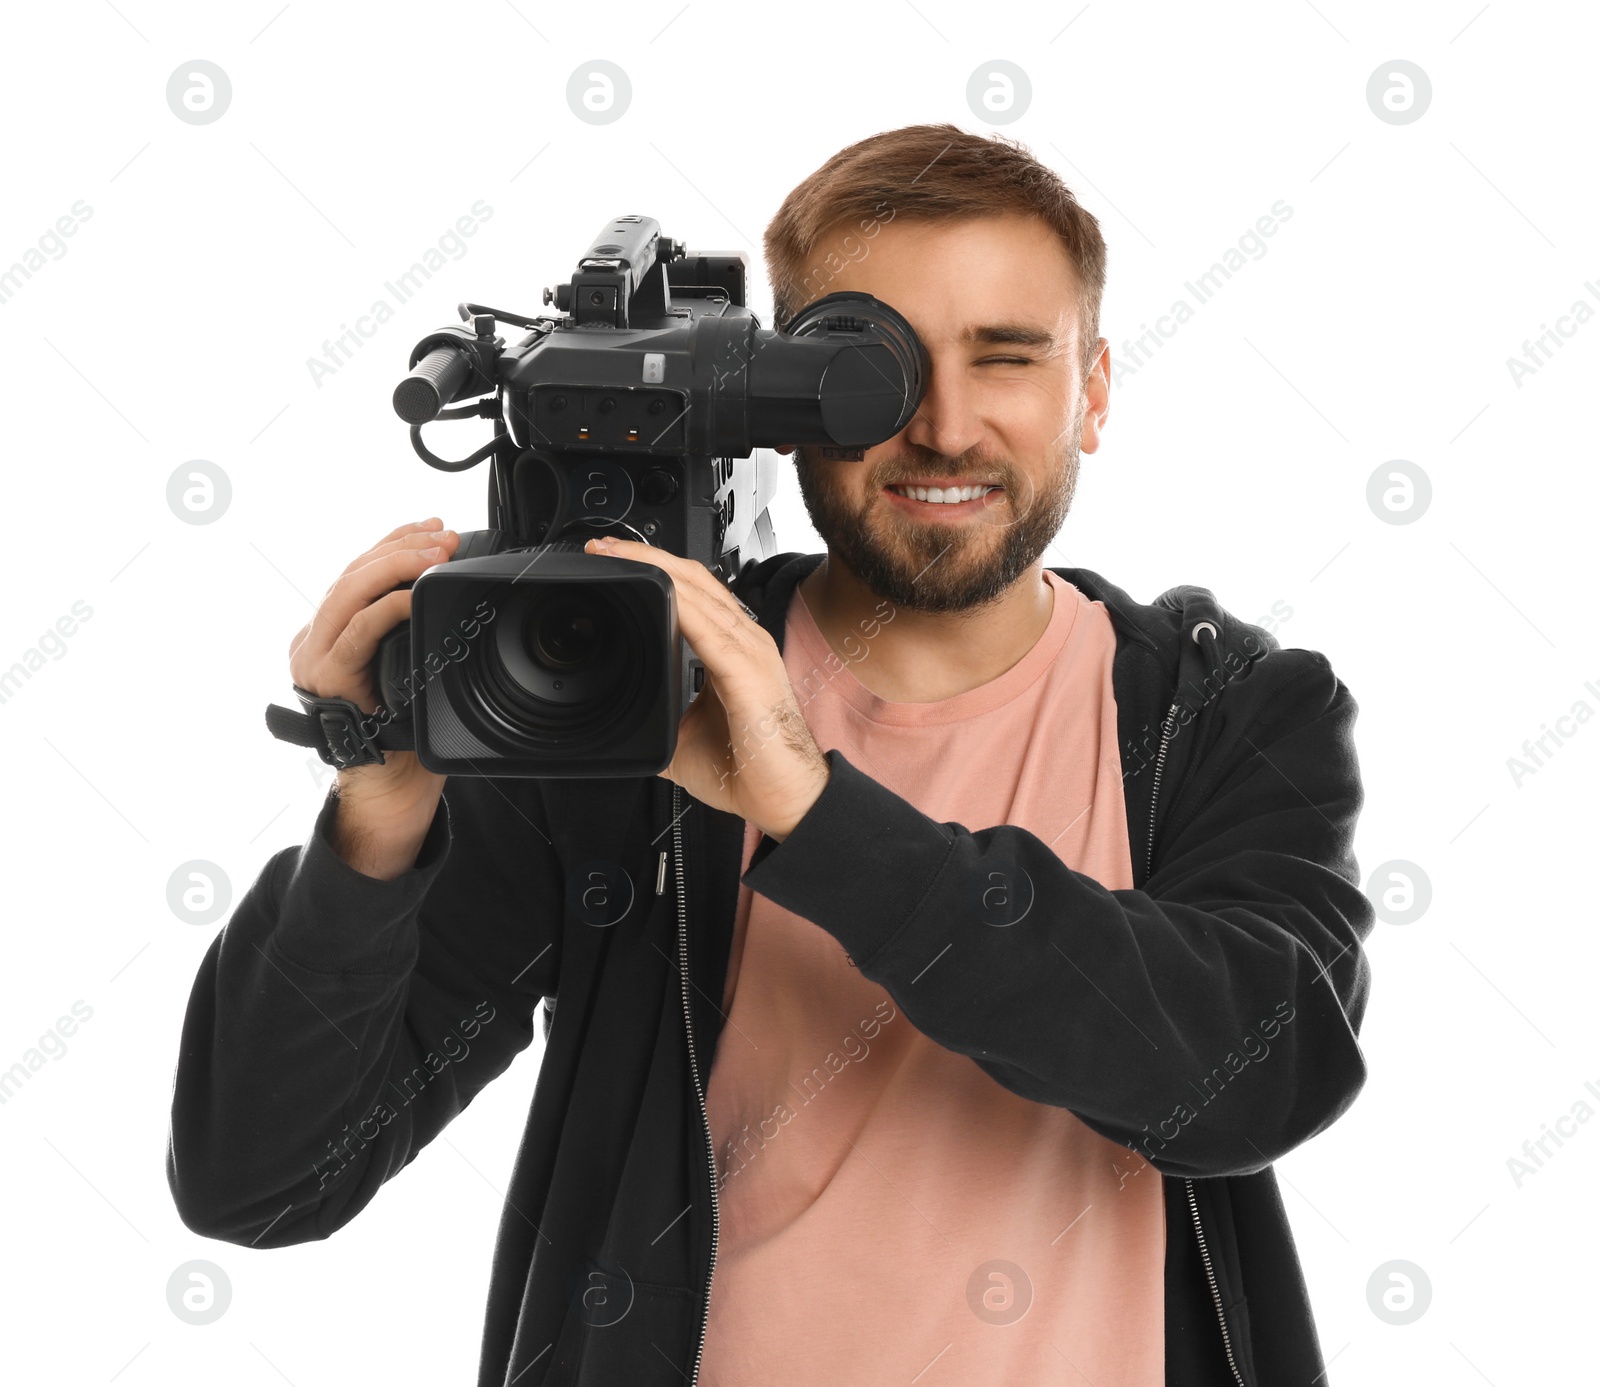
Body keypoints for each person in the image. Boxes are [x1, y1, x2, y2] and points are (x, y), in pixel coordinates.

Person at [167, 122, 1374, 1387]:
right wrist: (377, 818)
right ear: (783, 402)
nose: (946, 428)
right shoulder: (627, 705)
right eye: (878, 371)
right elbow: (262, 1178)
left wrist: (816, 813)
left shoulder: (1225, 708)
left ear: (1096, 390)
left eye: (1006, 358)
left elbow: (1255, 1075)